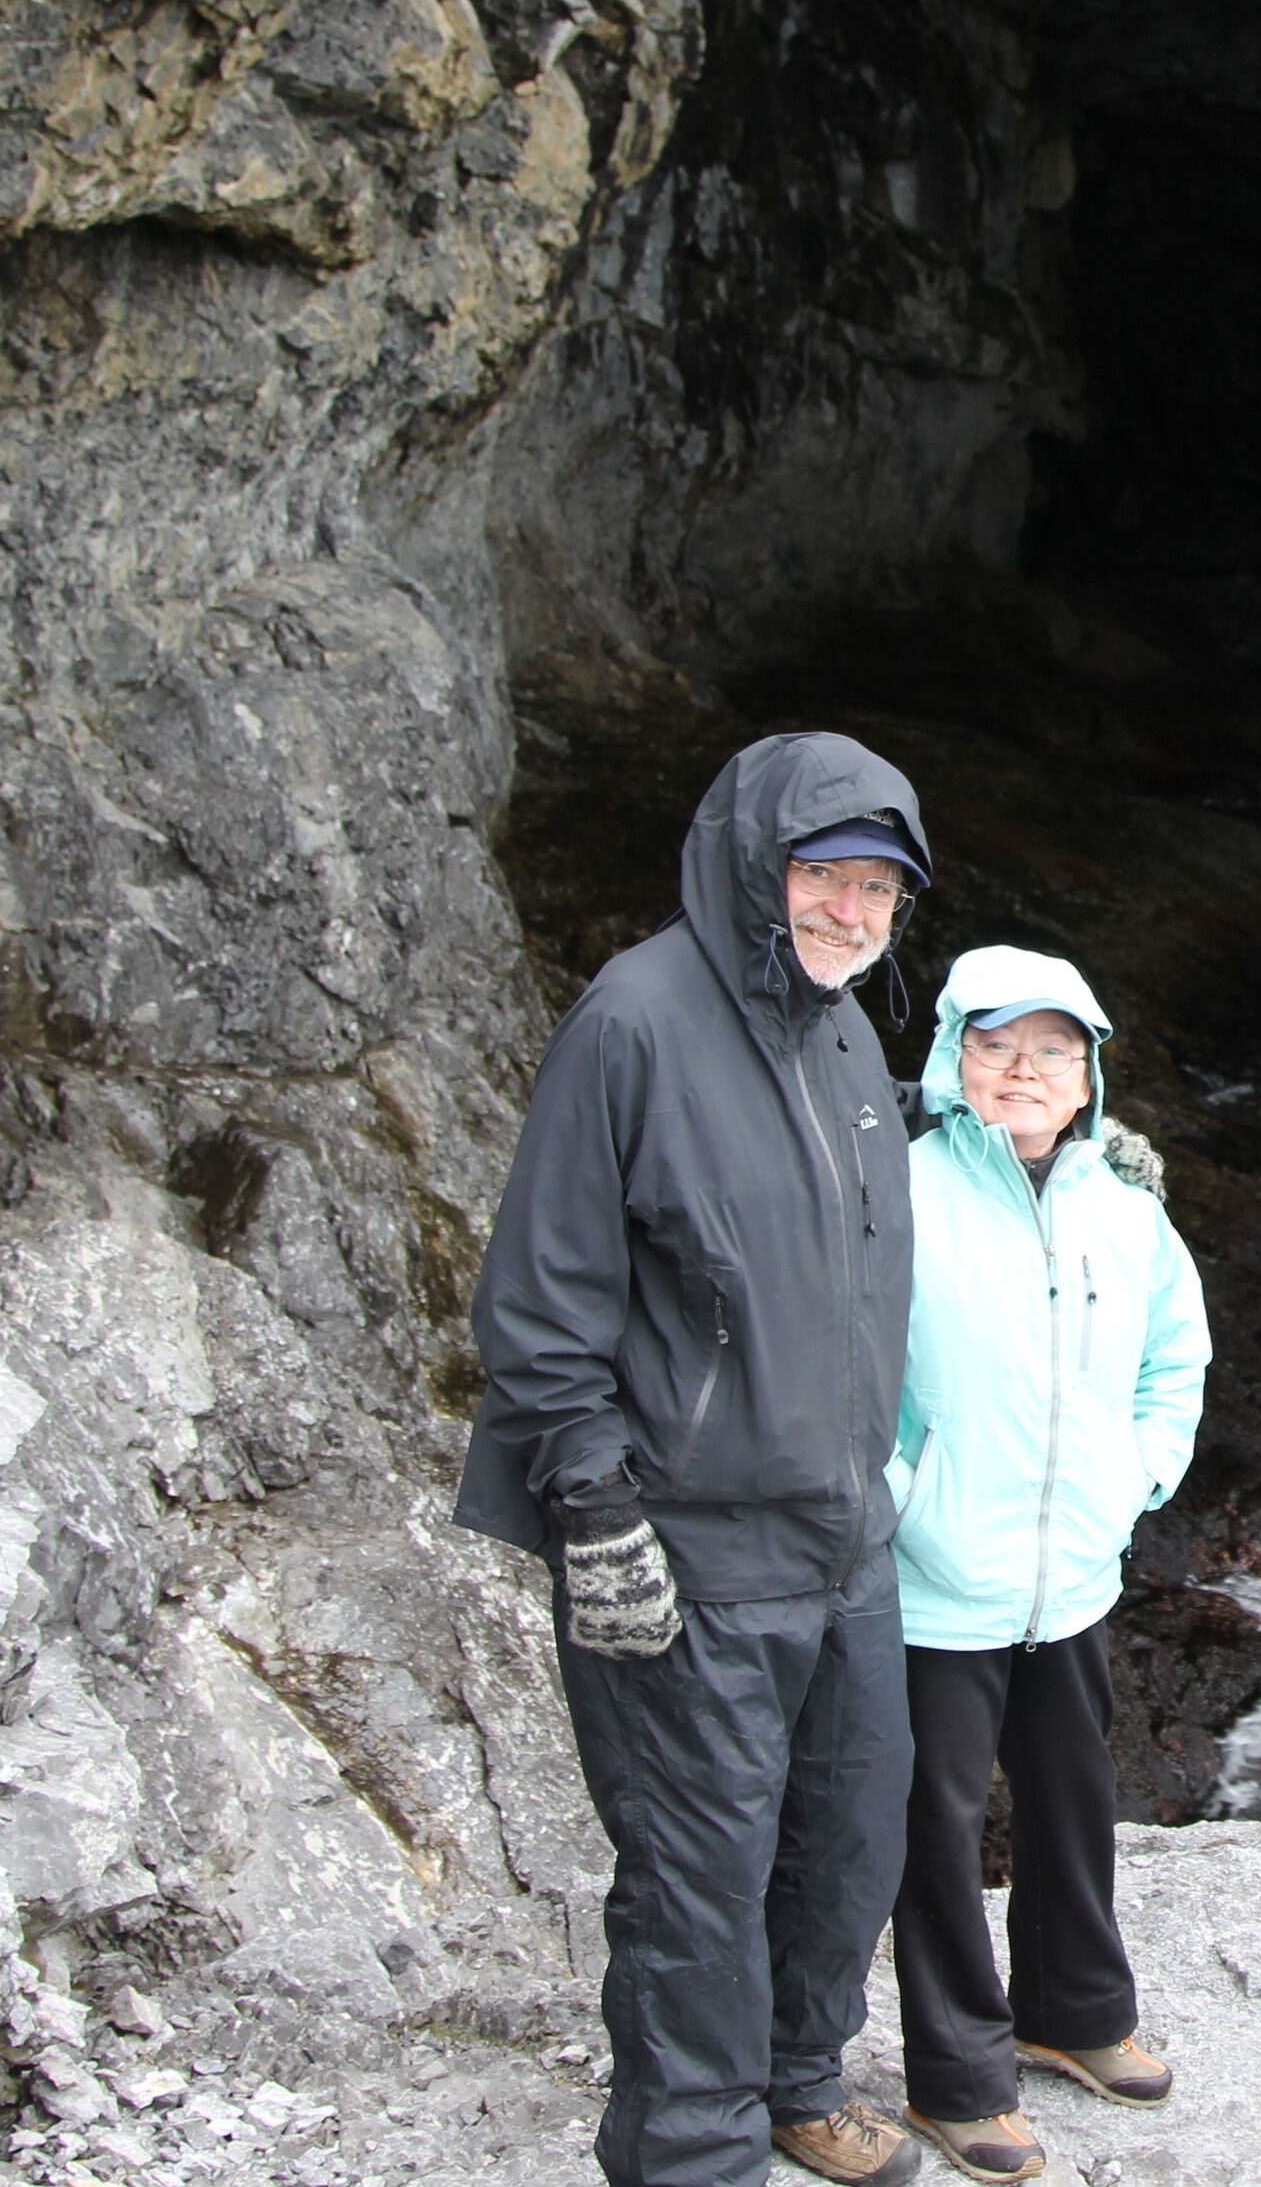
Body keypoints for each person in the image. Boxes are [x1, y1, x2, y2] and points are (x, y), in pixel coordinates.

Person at [455, 730, 937, 2187]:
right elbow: (543, 1299)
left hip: (841, 1539)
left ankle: (799, 2083)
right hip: (691, 1548)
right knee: (699, 1874)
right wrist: (593, 1508)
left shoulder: (847, 1032)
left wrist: (1056, 1149)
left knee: (852, 1834)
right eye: (825, 878)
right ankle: (690, 2151)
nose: (853, 914)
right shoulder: (636, 1021)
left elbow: (824, 1216)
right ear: (754, 870)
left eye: (882, 892)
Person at [884, 945, 1212, 2185]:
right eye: (996, 1047)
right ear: (953, 1059)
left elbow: (1172, 1360)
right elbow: (845, 1374)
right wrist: (902, 1501)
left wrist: (1134, 1479)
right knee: (936, 1829)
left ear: (1089, 1077)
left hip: (1070, 1574)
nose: (1025, 1072)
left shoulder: (1127, 1211)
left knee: (1077, 1803)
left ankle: (1072, 2013)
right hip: (933, 1580)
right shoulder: (897, 1190)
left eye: (1053, 1052)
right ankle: (958, 2078)